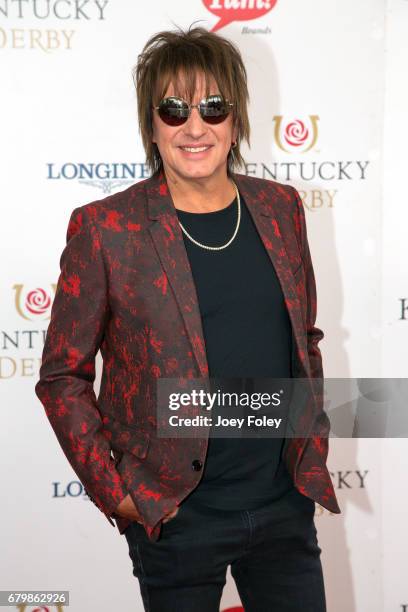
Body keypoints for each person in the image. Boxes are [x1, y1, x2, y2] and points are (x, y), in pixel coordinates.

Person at [35, 23, 341, 612]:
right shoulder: (106, 229)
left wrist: (311, 450)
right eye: (173, 109)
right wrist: (117, 491)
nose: (195, 127)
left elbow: (304, 340)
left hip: (283, 505)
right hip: (176, 515)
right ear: (152, 123)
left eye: (213, 107)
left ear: (235, 118)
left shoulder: (281, 210)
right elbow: (61, 376)